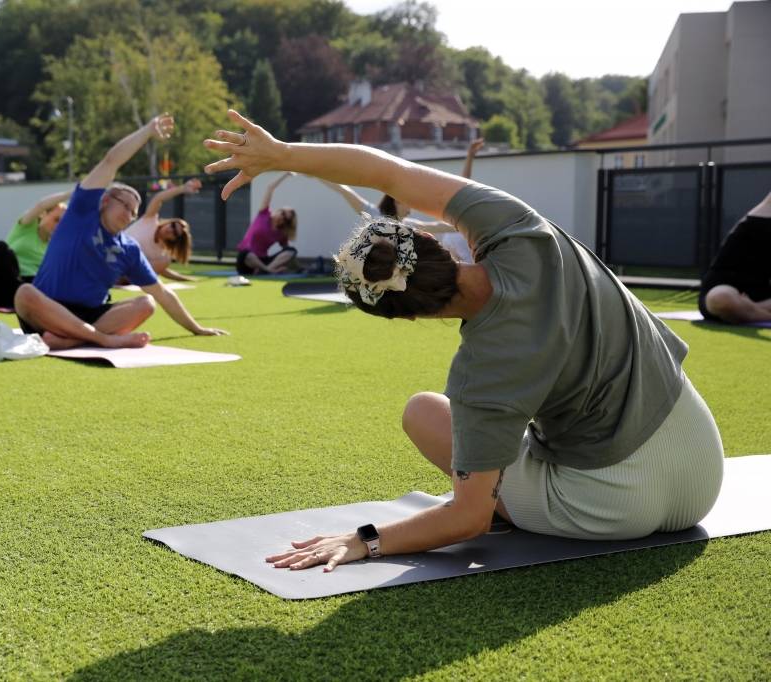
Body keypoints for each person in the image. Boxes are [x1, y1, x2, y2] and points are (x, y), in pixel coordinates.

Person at [204, 110, 723, 572]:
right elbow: (388, 171)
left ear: (408, 317)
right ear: (433, 239)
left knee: (424, 412)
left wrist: (365, 540)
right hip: (701, 465)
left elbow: (468, 518)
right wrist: (283, 153)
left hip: (611, 508)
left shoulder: (481, 374)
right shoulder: (519, 228)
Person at [14, 113, 227, 350]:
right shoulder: (82, 212)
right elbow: (110, 162)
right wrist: (147, 131)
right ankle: (102, 339)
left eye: (133, 212)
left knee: (146, 304)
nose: (129, 214)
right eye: (125, 206)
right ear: (105, 200)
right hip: (46, 310)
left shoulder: (129, 249)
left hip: (91, 315)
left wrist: (197, 328)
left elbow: (162, 294)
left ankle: (72, 340)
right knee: (24, 294)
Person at [317, 138, 483, 263]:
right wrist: (315, 170)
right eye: (408, 204)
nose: (410, 209)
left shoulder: (407, 225)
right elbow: (344, 190)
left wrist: (471, 225)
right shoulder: (374, 214)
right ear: (396, 201)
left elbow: (437, 226)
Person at [0, 191, 69, 309]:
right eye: (56, 220)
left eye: (63, 223)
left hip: (26, 292)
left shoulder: (56, 246)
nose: (58, 226)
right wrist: (74, 193)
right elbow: (41, 205)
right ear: (43, 215)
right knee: (0, 247)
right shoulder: (27, 226)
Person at [697, 190, 771, 323]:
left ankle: (750, 310)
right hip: (725, 290)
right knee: (722, 298)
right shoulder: (757, 222)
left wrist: (751, 306)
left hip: (762, 299)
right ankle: (754, 312)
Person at [124, 178, 201, 282]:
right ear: (169, 222)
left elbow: (159, 269)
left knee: (164, 261)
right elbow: (158, 198)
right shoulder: (149, 220)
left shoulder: (161, 255)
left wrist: (186, 279)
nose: (171, 230)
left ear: (174, 240)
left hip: (125, 273)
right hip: (112, 255)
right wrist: (183, 188)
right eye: (173, 225)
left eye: (175, 233)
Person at [235, 171, 298, 275]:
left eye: (286, 219)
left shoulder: (281, 233)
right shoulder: (264, 214)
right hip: (247, 261)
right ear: (279, 210)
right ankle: (268, 270)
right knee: (247, 254)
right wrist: (286, 174)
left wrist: (295, 265)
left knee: (291, 251)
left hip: (264, 260)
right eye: (282, 213)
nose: (282, 217)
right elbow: (270, 188)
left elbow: (287, 251)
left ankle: (265, 269)